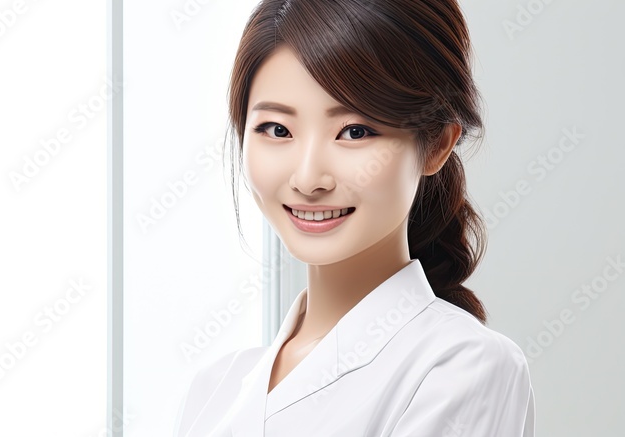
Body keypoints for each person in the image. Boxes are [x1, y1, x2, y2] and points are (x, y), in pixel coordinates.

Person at [174, 0, 535, 435]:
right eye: (277, 129)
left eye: (355, 132)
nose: (308, 178)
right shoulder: (213, 390)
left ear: (437, 144)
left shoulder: (465, 368)